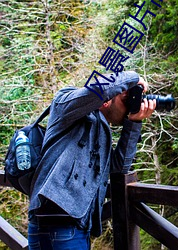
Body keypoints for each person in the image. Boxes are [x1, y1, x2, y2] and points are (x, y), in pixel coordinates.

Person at [28, 71, 156, 250]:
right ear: (109, 96)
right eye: (125, 98)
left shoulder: (101, 130)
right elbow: (99, 90)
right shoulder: (65, 101)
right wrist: (134, 79)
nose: (129, 106)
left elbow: (118, 167)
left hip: (74, 227)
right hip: (58, 224)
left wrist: (134, 123)